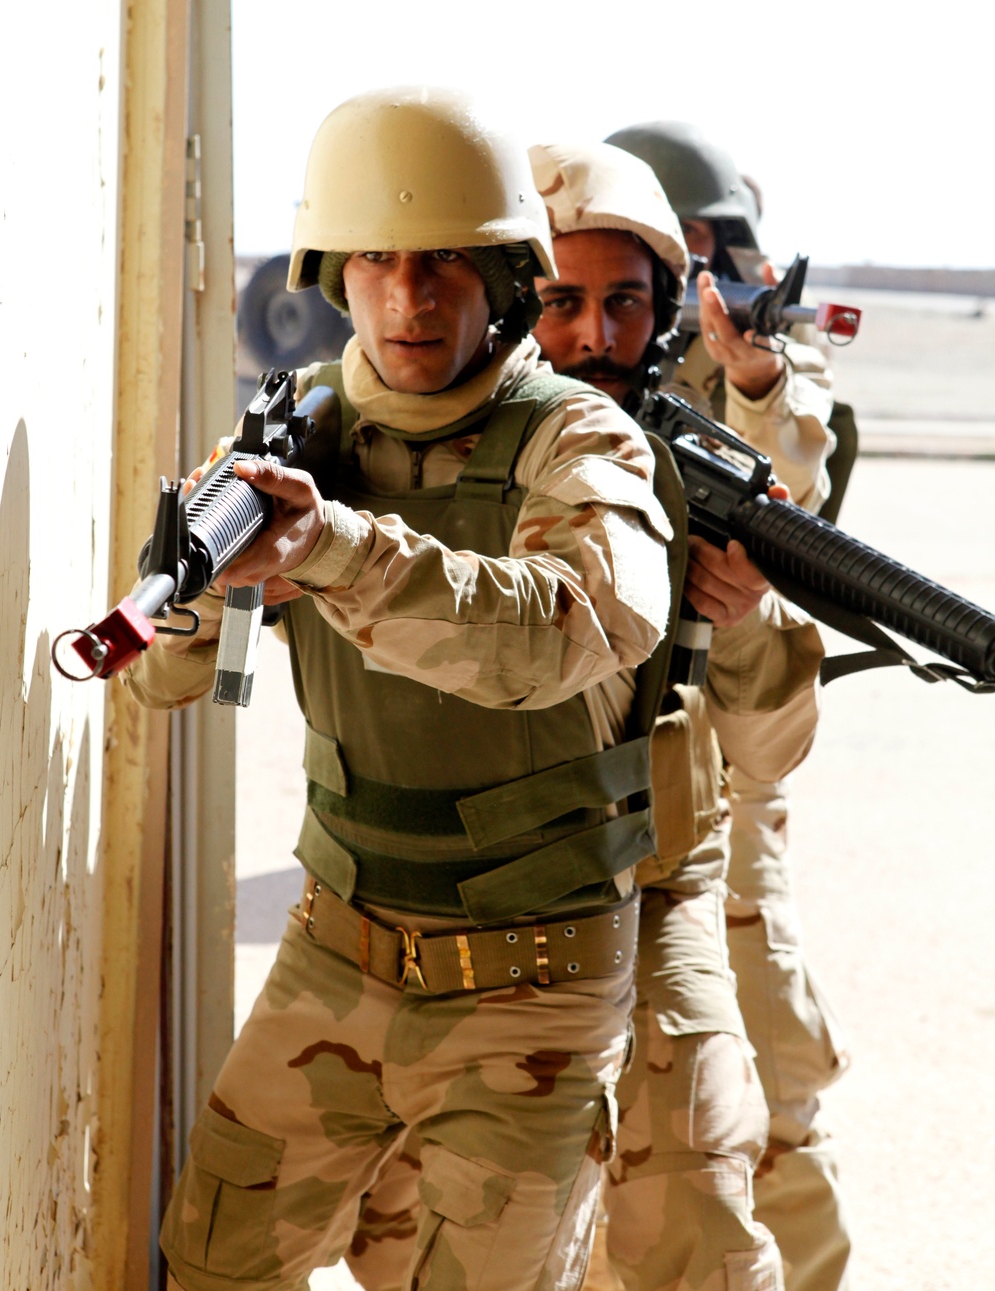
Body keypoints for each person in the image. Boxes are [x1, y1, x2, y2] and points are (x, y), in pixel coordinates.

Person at [127, 85, 682, 1291]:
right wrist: (201, 590)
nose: (409, 297)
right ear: (335, 275)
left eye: (443, 263)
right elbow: (169, 687)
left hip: (531, 987)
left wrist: (331, 551)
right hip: (338, 948)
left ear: (505, 278)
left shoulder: (578, 440)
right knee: (210, 1264)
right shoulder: (301, 436)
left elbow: (575, 627)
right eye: (376, 259)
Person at [340, 141, 828, 1291]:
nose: (592, 337)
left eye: (623, 303)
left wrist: (743, 619)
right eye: (559, 301)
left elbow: (768, 750)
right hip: (466, 905)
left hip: (654, 887)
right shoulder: (418, 448)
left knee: (708, 1215)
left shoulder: (690, 467)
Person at [607, 120, 852, 1291]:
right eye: (672, 247)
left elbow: (803, 485)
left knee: (775, 1109)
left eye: (713, 243)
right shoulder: (582, 355)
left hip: (729, 778)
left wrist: (751, 378)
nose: (695, 269)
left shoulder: (761, 370)